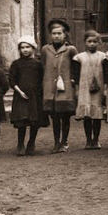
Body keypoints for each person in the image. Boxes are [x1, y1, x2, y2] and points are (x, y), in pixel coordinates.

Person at [41, 19, 78, 153]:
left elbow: (75, 67)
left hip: (66, 87)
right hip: (50, 87)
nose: (56, 36)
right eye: (54, 33)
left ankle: (64, 140)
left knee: (65, 116)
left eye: (59, 33)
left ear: (65, 35)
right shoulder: (46, 49)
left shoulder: (70, 49)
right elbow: (43, 66)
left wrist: (73, 81)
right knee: (54, 116)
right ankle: (56, 142)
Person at [8, 37, 44, 156]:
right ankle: (20, 144)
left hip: (35, 96)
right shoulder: (16, 64)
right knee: (22, 121)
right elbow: (12, 80)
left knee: (34, 121)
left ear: (33, 48)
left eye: (27, 47)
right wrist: (19, 91)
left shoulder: (38, 64)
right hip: (21, 97)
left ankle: (31, 143)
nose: (25, 50)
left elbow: (42, 79)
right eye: (22, 47)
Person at [72, 30, 106, 149]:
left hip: (98, 88)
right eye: (89, 41)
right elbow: (75, 77)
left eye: (94, 42)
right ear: (85, 42)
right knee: (87, 115)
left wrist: (105, 89)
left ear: (99, 43)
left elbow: (107, 74)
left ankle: (96, 140)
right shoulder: (79, 57)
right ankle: (88, 140)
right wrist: (76, 90)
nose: (92, 44)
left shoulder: (103, 57)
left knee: (96, 115)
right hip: (84, 88)